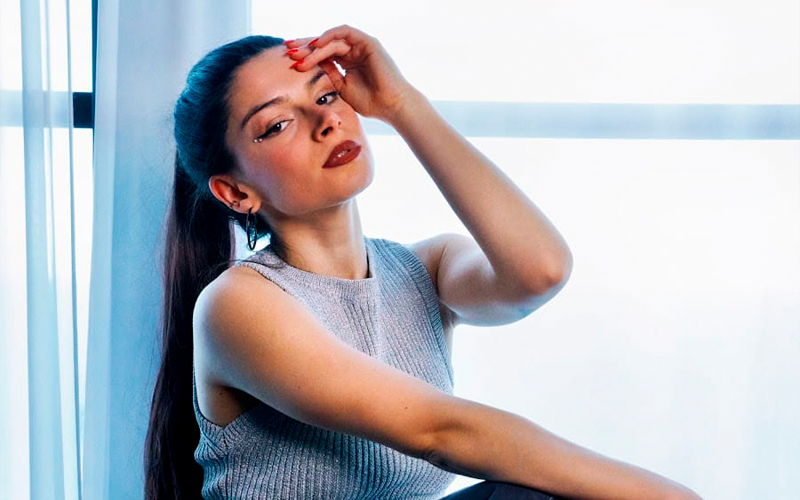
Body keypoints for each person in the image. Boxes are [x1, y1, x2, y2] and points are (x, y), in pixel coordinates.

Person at [143, 24, 703, 500]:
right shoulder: (237, 305)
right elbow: (441, 432)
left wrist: (401, 104)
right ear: (236, 193)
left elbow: (540, 272)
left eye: (327, 96)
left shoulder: (423, 272)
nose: (326, 122)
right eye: (277, 124)